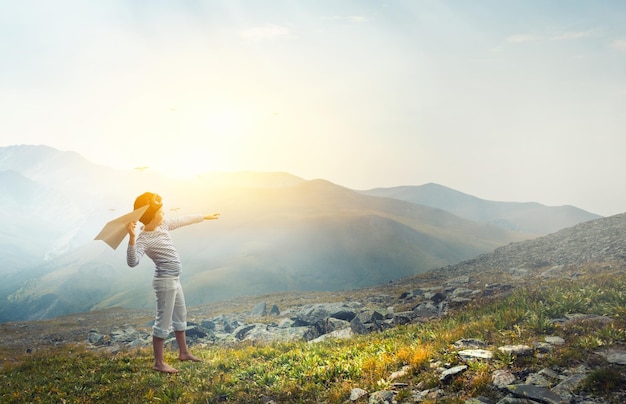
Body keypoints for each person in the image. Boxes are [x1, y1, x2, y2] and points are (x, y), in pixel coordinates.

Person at [126, 192, 220, 373]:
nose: (164, 214)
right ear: (150, 218)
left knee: (180, 316)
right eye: (160, 212)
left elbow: (182, 219)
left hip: (175, 280)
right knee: (163, 321)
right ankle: (158, 363)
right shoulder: (144, 239)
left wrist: (203, 217)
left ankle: (184, 352)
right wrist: (131, 238)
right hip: (165, 282)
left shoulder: (163, 225)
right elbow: (133, 262)